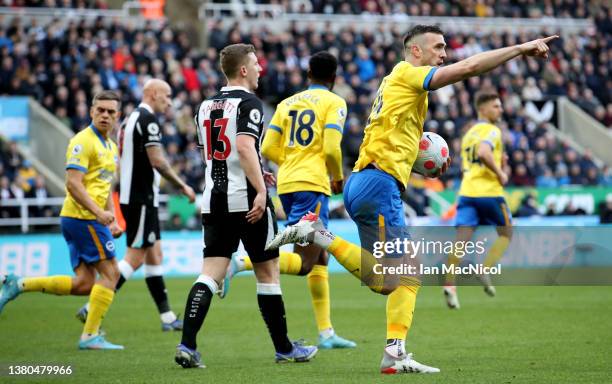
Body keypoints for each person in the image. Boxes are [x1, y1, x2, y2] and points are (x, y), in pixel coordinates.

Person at [267, 25, 557, 374]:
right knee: (410, 271)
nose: (444, 54)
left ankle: (322, 240)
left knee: (385, 281)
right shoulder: (408, 74)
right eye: (438, 47)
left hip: (365, 181)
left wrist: (422, 167)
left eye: (446, 47)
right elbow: (468, 69)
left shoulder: (395, 85)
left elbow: (395, 141)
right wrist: (520, 48)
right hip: (378, 185)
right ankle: (393, 351)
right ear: (415, 51)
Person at [174, 43, 317, 368]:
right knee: (268, 273)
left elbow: (211, 154)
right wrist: (260, 190)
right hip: (247, 201)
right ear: (243, 70)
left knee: (210, 274)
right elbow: (242, 145)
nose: (260, 69)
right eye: (255, 64)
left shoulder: (205, 106)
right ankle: (284, 348)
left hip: (214, 199)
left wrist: (246, 170)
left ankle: (187, 344)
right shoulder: (250, 103)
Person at [222, 51, 356, 350]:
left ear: (307, 73)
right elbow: (333, 148)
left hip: (288, 183)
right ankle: (242, 261)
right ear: (334, 77)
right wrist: (336, 176)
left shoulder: (286, 103)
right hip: (313, 183)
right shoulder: (335, 103)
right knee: (307, 261)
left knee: (321, 256)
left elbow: (268, 147)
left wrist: (293, 160)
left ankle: (326, 332)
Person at [0, 90, 125, 350]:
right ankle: (90, 336)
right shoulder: (83, 141)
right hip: (83, 218)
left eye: (110, 112)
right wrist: (100, 215)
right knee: (111, 273)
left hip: (82, 219)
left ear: (117, 116)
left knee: (84, 284)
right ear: (91, 111)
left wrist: (111, 218)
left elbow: (103, 186)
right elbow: (73, 185)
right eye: (100, 110)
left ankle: (18, 284)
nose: (105, 115)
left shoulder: (111, 147)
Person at [75, 79, 195, 331]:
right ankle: (91, 307)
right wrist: (182, 186)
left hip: (137, 197)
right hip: (141, 199)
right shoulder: (147, 120)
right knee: (135, 256)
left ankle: (167, 318)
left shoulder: (130, 120)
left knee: (155, 254)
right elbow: (157, 161)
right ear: (152, 94)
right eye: (166, 95)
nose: (170, 101)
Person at [443, 91, 513, 309]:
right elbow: (483, 152)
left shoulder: (468, 133)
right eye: (496, 106)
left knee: (460, 241)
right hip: (490, 193)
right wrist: (500, 173)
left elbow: (473, 161)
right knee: (506, 233)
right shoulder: (492, 130)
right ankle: (485, 268)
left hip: (467, 192)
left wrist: (501, 163)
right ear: (482, 109)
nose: (500, 110)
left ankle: (449, 284)